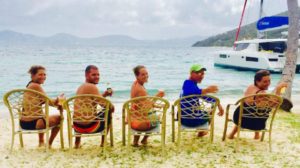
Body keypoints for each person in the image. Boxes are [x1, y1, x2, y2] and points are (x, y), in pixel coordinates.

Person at [228, 70, 287, 139]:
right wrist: (278, 90)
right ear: (257, 81)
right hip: (258, 125)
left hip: (238, 120)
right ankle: (256, 135)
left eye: (269, 81)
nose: (268, 83)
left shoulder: (250, 87)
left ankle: (232, 134)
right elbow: (274, 105)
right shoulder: (263, 94)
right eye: (265, 81)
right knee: (259, 111)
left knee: (249, 109)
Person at [22, 65, 63, 148]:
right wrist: (59, 99)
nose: (43, 77)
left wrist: (56, 102)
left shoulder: (29, 86)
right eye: (40, 74)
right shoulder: (36, 86)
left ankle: (41, 142)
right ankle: (49, 143)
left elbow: (46, 102)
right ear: (33, 76)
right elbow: (49, 101)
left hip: (23, 123)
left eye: (44, 75)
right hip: (34, 123)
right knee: (60, 118)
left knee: (42, 115)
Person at [74, 65, 114, 148]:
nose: (97, 77)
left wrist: (104, 95)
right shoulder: (92, 87)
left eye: (98, 75)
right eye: (94, 75)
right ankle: (103, 143)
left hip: (77, 127)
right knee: (108, 111)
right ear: (86, 75)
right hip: (90, 127)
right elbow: (107, 106)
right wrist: (111, 105)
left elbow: (93, 100)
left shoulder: (81, 87)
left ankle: (77, 143)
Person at [180, 64, 224, 137]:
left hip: (184, 119)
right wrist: (207, 90)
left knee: (208, 108)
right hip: (190, 120)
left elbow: (203, 96)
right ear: (192, 73)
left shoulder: (193, 86)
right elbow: (191, 92)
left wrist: (218, 104)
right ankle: (201, 132)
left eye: (203, 74)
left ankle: (201, 131)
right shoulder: (187, 83)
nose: (202, 76)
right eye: (200, 73)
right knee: (209, 111)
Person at [130, 65, 164, 147]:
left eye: (146, 74)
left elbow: (142, 103)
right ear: (137, 76)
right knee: (156, 118)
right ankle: (144, 140)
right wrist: (157, 96)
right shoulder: (141, 90)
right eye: (143, 74)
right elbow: (146, 108)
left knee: (149, 114)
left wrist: (155, 105)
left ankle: (135, 141)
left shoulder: (135, 84)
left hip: (133, 117)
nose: (146, 76)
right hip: (138, 124)